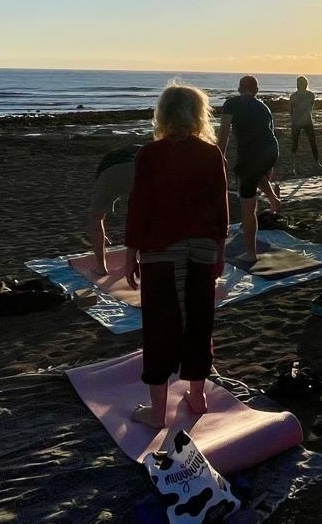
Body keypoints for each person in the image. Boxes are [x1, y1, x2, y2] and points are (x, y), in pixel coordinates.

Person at [125, 85, 228, 427]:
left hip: (160, 252)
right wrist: (220, 251)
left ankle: (158, 414)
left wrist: (130, 253)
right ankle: (196, 397)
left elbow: (139, 206)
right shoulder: (211, 154)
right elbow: (220, 211)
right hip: (201, 249)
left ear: (163, 114)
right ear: (198, 114)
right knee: (199, 321)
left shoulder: (150, 154)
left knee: (160, 328)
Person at [218, 76, 281, 263]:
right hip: (271, 150)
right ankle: (273, 199)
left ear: (239, 88)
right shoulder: (264, 107)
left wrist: (219, 155)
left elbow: (224, 131)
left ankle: (251, 253)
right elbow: (270, 132)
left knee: (248, 205)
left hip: (252, 155)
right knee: (256, 174)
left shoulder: (231, 103)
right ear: (256, 90)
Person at [88, 143, 143, 273]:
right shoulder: (147, 150)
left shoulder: (104, 167)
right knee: (144, 215)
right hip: (142, 167)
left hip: (111, 171)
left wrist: (99, 232)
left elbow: (99, 212)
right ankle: (141, 259)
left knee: (95, 218)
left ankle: (101, 267)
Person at [289, 76, 319, 169]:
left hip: (304, 121)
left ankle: (316, 162)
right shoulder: (296, 95)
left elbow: (291, 110)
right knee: (297, 143)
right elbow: (291, 109)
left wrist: (295, 118)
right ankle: (293, 165)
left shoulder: (309, 95)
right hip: (302, 121)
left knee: (310, 142)